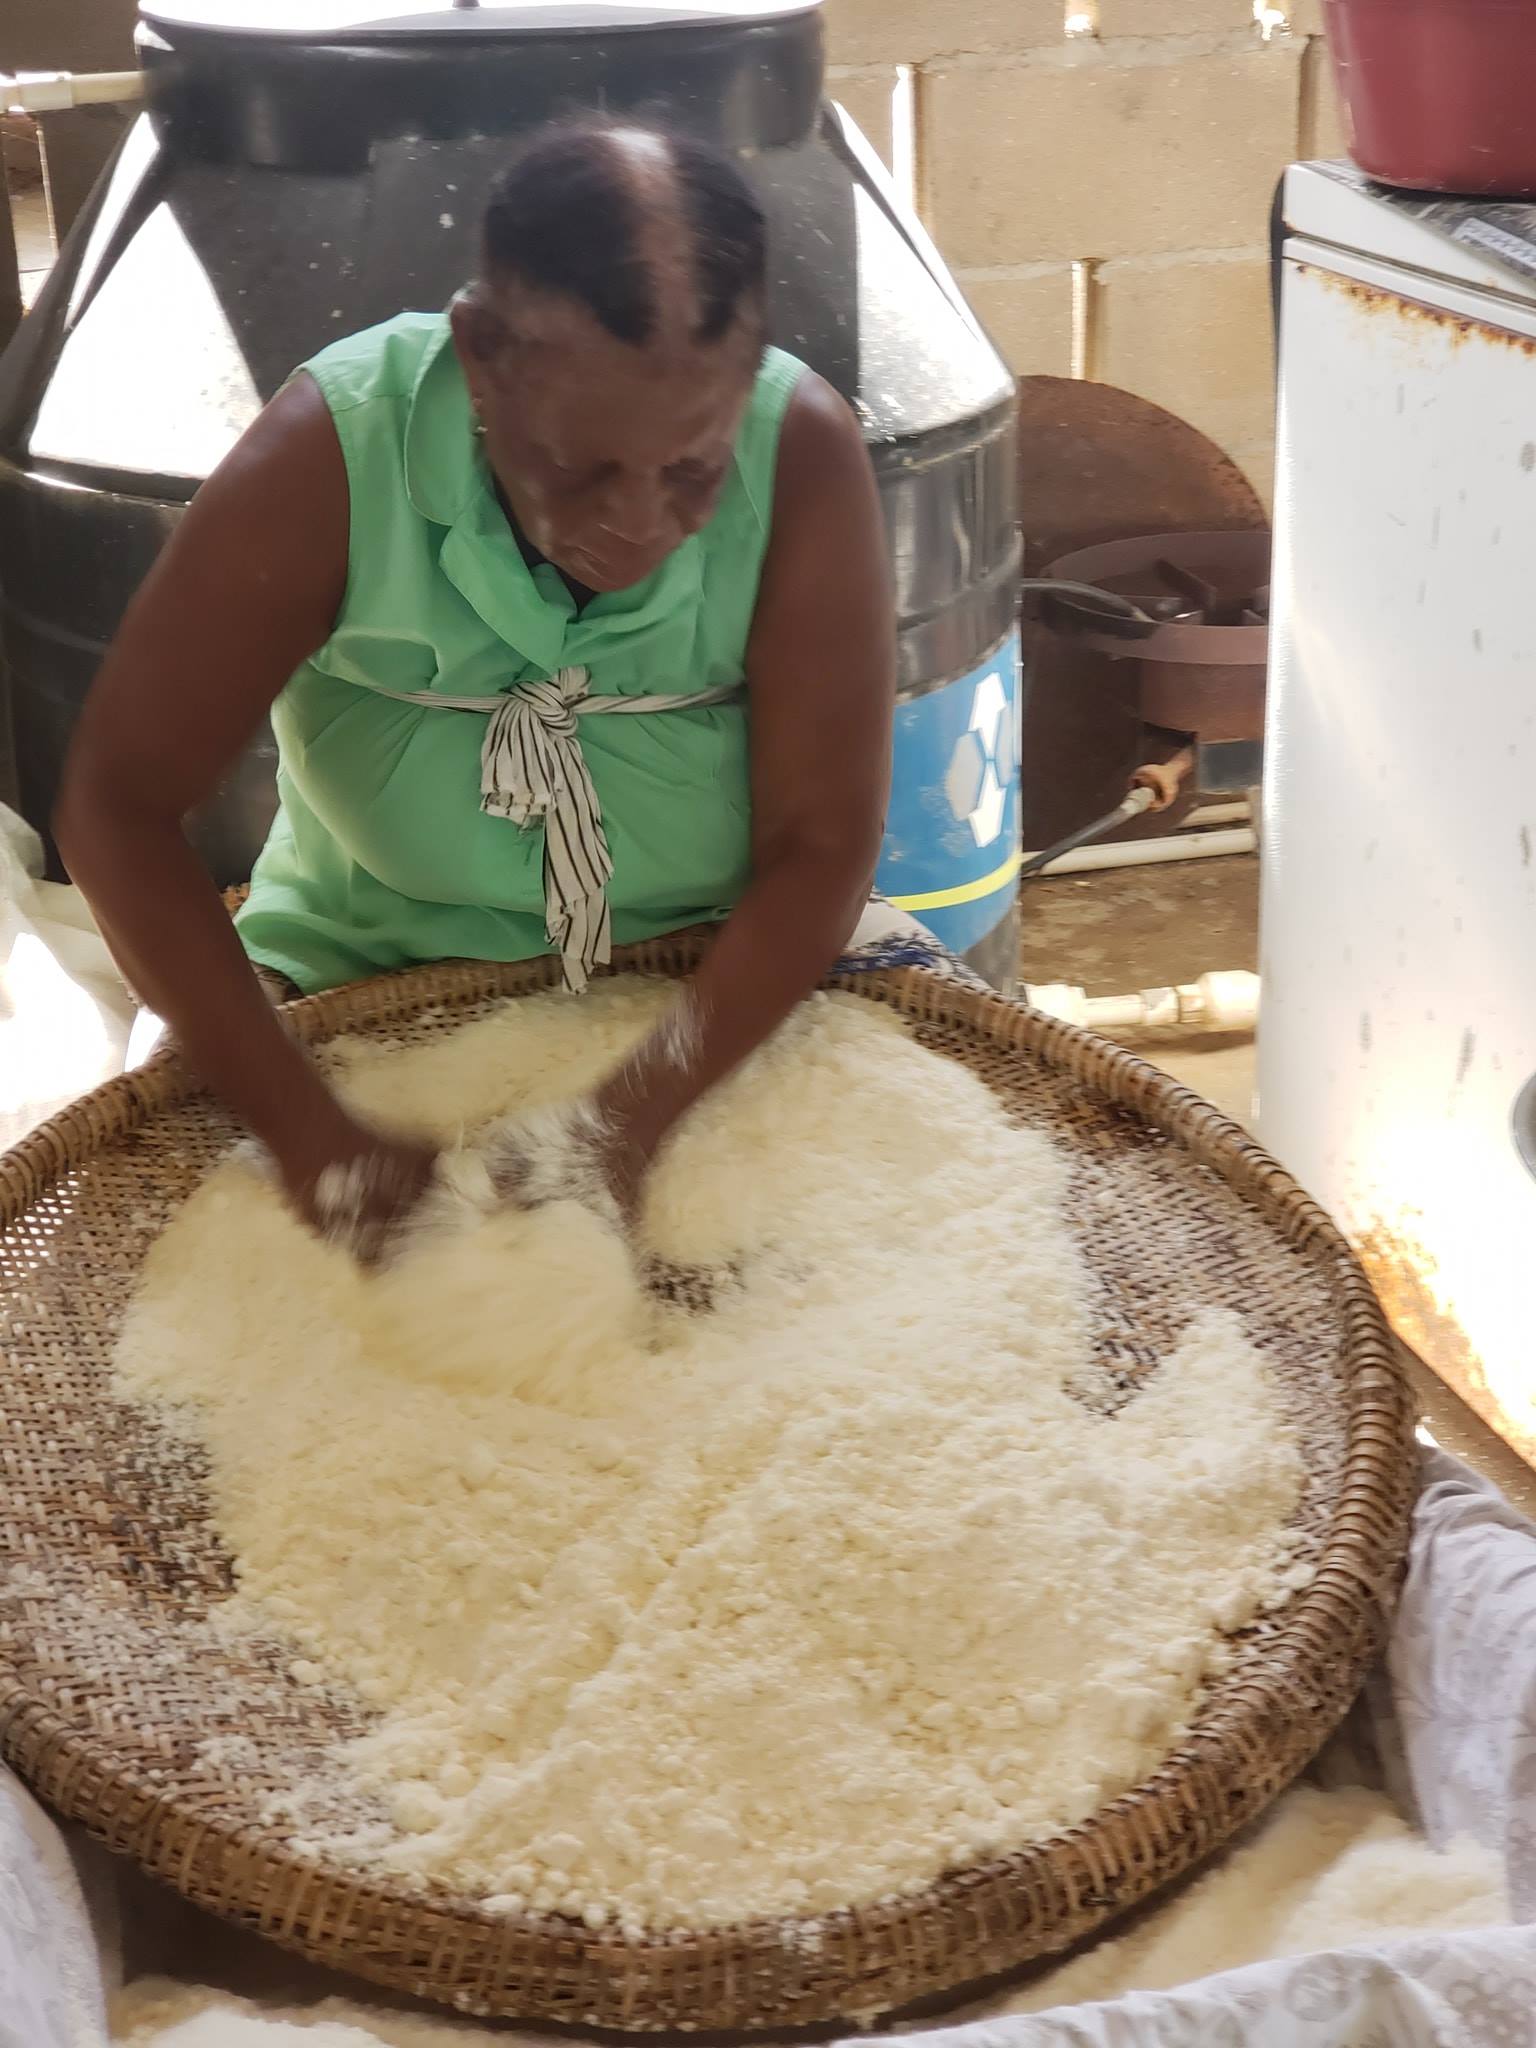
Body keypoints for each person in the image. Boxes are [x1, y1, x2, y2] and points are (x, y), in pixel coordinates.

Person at [56, 118, 894, 1250]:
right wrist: (312, 1137)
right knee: (158, 1258)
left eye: (693, 468)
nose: (638, 521)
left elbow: (823, 843)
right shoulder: (334, 452)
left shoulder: (800, 452)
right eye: (578, 464)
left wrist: (626, 1117)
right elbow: (117, 805)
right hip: (357, 966)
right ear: (481, 355)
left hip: (714, 975)